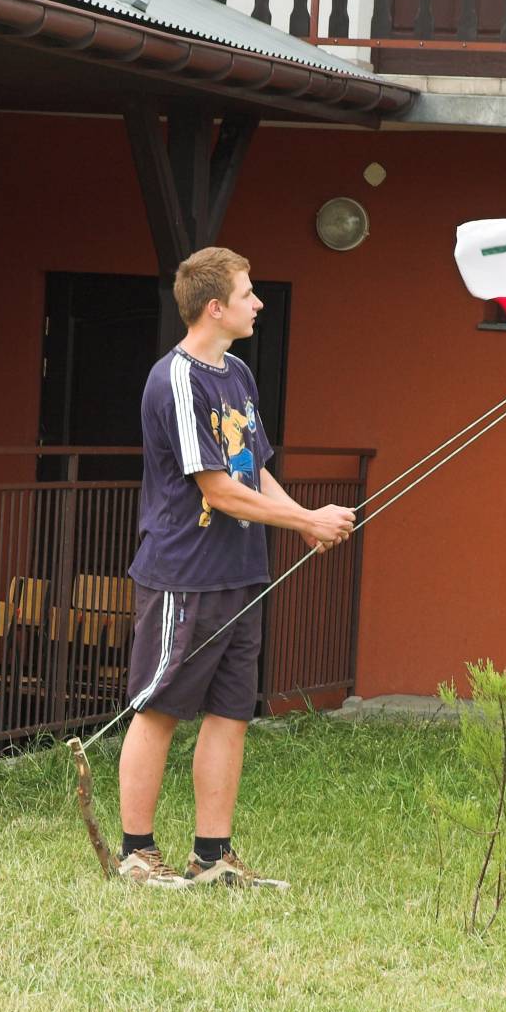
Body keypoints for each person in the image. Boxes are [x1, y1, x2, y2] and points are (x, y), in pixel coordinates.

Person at [115, 246, 355, 889]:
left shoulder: (238, 373)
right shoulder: (176, 379)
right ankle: (136, 855)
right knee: (159, 709)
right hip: (183, 575)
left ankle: (212, 856)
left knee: (230, 713)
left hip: (241, 572)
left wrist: (301, 518)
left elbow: (253, 469)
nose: (259, 303)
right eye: (249, 294)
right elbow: (217, 490)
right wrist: (305, 522)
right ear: (215, 307)